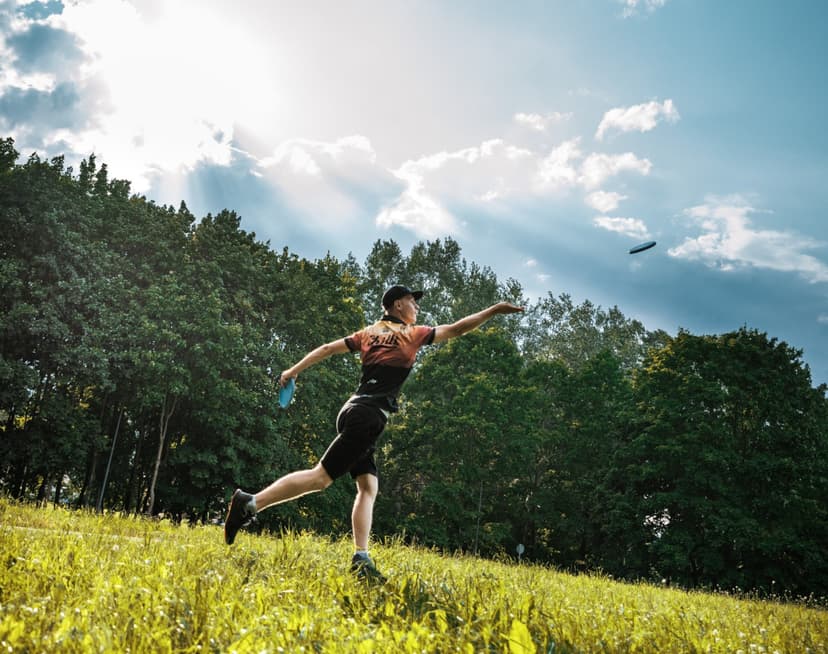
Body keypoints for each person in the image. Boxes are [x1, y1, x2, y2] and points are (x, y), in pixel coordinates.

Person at [223, 284, 523, 581]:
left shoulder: (368, 333)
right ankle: (250, 503)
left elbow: (327, 349)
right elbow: (457, 329)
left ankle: (361, 557)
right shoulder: (412, 334)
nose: (417, 307)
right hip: (368, 417)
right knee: (320, 478)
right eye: (412, 301)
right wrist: (494, 310)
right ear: (397, 305)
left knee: (368, 487)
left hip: (352, 410)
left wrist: (293, 370)